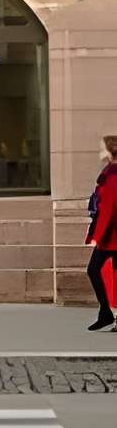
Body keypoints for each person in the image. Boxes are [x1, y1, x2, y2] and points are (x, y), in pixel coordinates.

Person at [86, 134, 117, 330]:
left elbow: (109, 207)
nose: (99, 152)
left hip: (112, 236)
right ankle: (107, 312)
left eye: (101, 148)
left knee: (93, 269)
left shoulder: (113, 173)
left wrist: (97, 235)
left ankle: (105, 312)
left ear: (109, 151)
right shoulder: (111, 172)